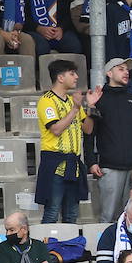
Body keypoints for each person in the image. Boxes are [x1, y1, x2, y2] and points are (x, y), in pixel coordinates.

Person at [85, 57, 132, 224]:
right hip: (109, 166)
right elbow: (89, 134)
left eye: (127, 69)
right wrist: (91, 162)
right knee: (108, 217)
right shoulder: (98, 100)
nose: (126, 72)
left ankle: (130, 250)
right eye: (121, 69)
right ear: (109, 73)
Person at [35, 59, 94, 224]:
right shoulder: (46, 100)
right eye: (72, 73)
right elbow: (55, 129)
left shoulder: (72, 100)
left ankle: (69, 249)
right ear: (60, 77)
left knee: (71, 215)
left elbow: (88, 129)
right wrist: (75, 109)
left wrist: (90, 107)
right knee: (52, 212)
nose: (76, 77)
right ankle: (46, 249)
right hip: (55, 163)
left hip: (73, 164)